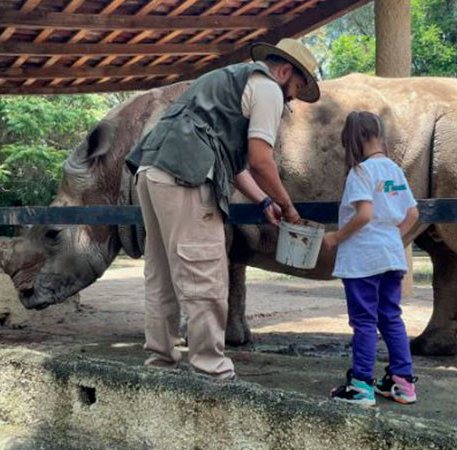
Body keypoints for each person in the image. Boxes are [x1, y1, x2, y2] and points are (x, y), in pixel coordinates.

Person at [125, 39, 320, 381]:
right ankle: (210, 369)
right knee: (206, 271)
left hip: (150, 170)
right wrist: (289, 207)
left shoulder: (227, 79)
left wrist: (264, 201)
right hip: (185, 173)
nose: (292, 99)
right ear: (286, 71)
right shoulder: (269, 89)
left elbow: (235, 165)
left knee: (161, 276)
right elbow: (261, 160)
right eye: (297, 88)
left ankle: (160, 364)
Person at [325, 111, 419, 406]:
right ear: (378, 135)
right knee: (390, 317)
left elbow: (364, 214)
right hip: (391, 257)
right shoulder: (394, 170)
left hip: (363, 259)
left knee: (364, 321)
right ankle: (402, 382)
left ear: (355, 139)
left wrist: (336, 237)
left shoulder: (360, 172)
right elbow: (412, 214)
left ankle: (361, 384)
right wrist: (392, 239)